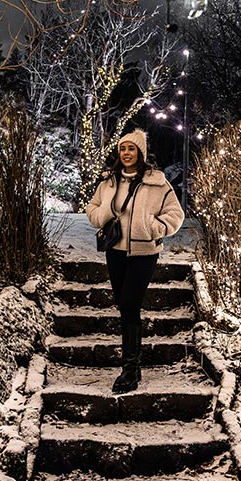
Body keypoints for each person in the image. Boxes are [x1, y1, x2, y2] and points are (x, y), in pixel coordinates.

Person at [85, 129, 185, 393]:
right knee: (123, 304)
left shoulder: (158, 182)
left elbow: (175, 214)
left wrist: (155, 227)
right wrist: (104, 214)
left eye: (131, 149)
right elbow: (92, 208)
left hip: (144, 252)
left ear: (140, 152)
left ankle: (129, 370)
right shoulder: (108, 182)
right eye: (122, 149)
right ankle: (134, 366)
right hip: (114, 250)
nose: (126, 153)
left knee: (130, 304)